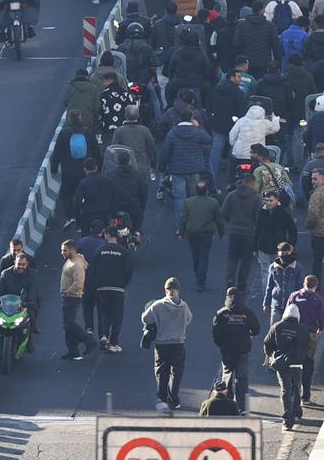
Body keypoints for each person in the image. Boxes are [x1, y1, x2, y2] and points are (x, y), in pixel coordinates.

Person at [140, 278, 193, 413]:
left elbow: (145, 318)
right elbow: (189, 319)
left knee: (161, 372)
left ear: (165, 290)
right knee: (176, 373)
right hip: (178, 344)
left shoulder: (157, 305)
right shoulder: (184, 306)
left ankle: (162, 399)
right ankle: (173, 399)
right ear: (178, 290)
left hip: (161, 344)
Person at [210, 286, 260, 412]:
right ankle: (242, 407)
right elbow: (256, 329)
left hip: (227, 350)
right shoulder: (248, 313)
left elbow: (216, 333)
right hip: (243, 350)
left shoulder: (221, 313)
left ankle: (227, 405)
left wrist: (221, 344)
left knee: (226, 376)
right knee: (242, 378)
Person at [265, 303, 313, 430]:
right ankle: (297, 412)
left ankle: (287, 420)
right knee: (297, 387)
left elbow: (267, 343)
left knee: (286, 389)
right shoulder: (302, 329)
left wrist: (270, 354)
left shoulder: (277, 326)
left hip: (281, 364)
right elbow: (308, 345)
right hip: (297, 363)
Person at [284, 274, 324, 404]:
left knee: (292, 361)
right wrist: (320, 329)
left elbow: (287, 312)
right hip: (310, 334)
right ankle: (306, 396)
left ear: (304, 283)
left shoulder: (294, 296)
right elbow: (323, 319)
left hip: (294, 332)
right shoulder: (317, 299)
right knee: (308, 364)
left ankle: (291, 392)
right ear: (316, 286)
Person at [89, 226, 134, 351]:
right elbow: (129, 270)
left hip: (102, 287)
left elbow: (93, 268)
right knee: (117, 316)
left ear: (107, 235)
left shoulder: (100, 250)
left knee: (104, 312)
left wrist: (97, 283)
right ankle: (113, 343)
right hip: (118, 287)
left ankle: (103, 336)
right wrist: (124, 282)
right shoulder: (124, 251)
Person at [177, 176, 224, 291]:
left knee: (195, 256)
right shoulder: (213, 203)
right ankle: (201, 281)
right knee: (204, 256)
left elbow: (183, 219)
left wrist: (181, 232)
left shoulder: (188, 202)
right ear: (207, 190)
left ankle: (198, 275)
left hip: (192, 233)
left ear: (195, 190)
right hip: (206, 234)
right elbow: (218, 219)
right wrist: (221, 233)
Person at [59, 239, 98, 360]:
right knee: (67, 326)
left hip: (72, 297)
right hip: (67, 297)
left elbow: (79, 283)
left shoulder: (77, 264)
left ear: (71, 250)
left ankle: (89, 341)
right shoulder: (72, 260)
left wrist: (67, 292)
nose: (62, 253)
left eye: (64, 250)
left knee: (70, 324)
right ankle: (73, 351)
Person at [262, 241, 303, 327]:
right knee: (274, 328)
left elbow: (300, 288)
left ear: (290, 252)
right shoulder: (273, 267)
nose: (283, 256)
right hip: (276, 303)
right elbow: (269, 286)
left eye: (285, 252)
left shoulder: (297, 267)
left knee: (290, 329)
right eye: (281, 253)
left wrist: (299, 304)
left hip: (291, 304)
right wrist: (266, 303)